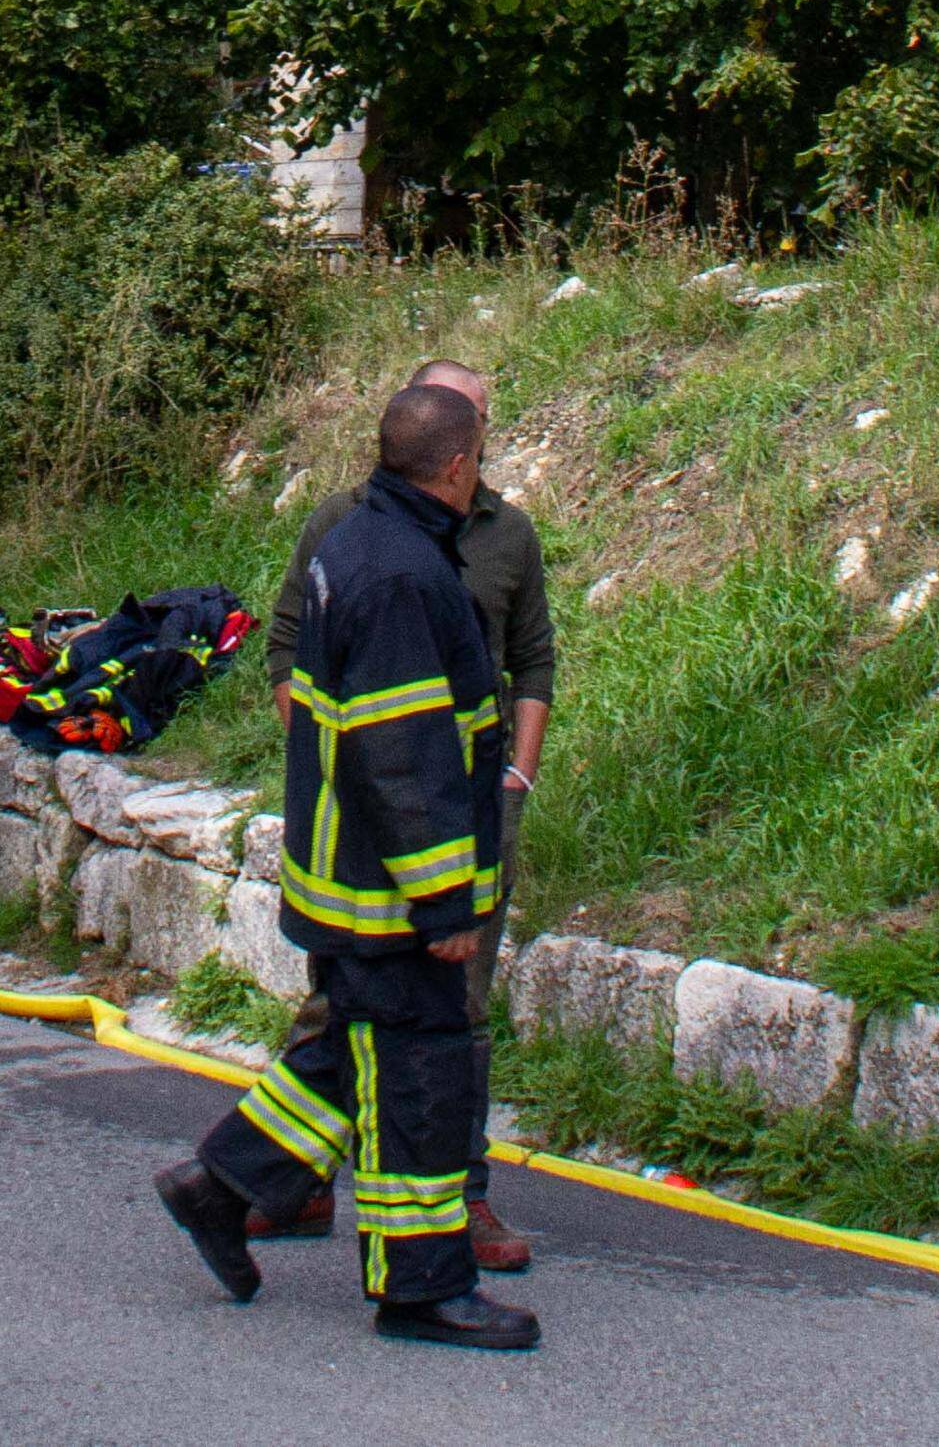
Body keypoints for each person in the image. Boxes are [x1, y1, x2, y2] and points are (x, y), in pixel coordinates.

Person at [154, 377, 540, 1353]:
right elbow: (404, 757)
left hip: (349, 869)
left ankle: (219, 1186)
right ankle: (423, 1288)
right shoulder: (404, 576)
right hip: (391, 890)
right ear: (457, 466)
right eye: (480, 456)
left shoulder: (356, 540)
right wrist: (444, 902)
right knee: (420, 1076)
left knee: (346, 1051)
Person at [252, 359, 551, 1272]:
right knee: (376, 1019)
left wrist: (514, 776)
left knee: (441, 1019)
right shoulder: (381, 553)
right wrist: (434, 885)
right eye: (474, 431)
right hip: (396, 831)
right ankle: (330, 1208)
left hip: (455, 817)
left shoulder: (488, 535)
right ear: (451, 456)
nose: (483, 445)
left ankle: (248, 1181)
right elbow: (382, 731)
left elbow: (531, 659)